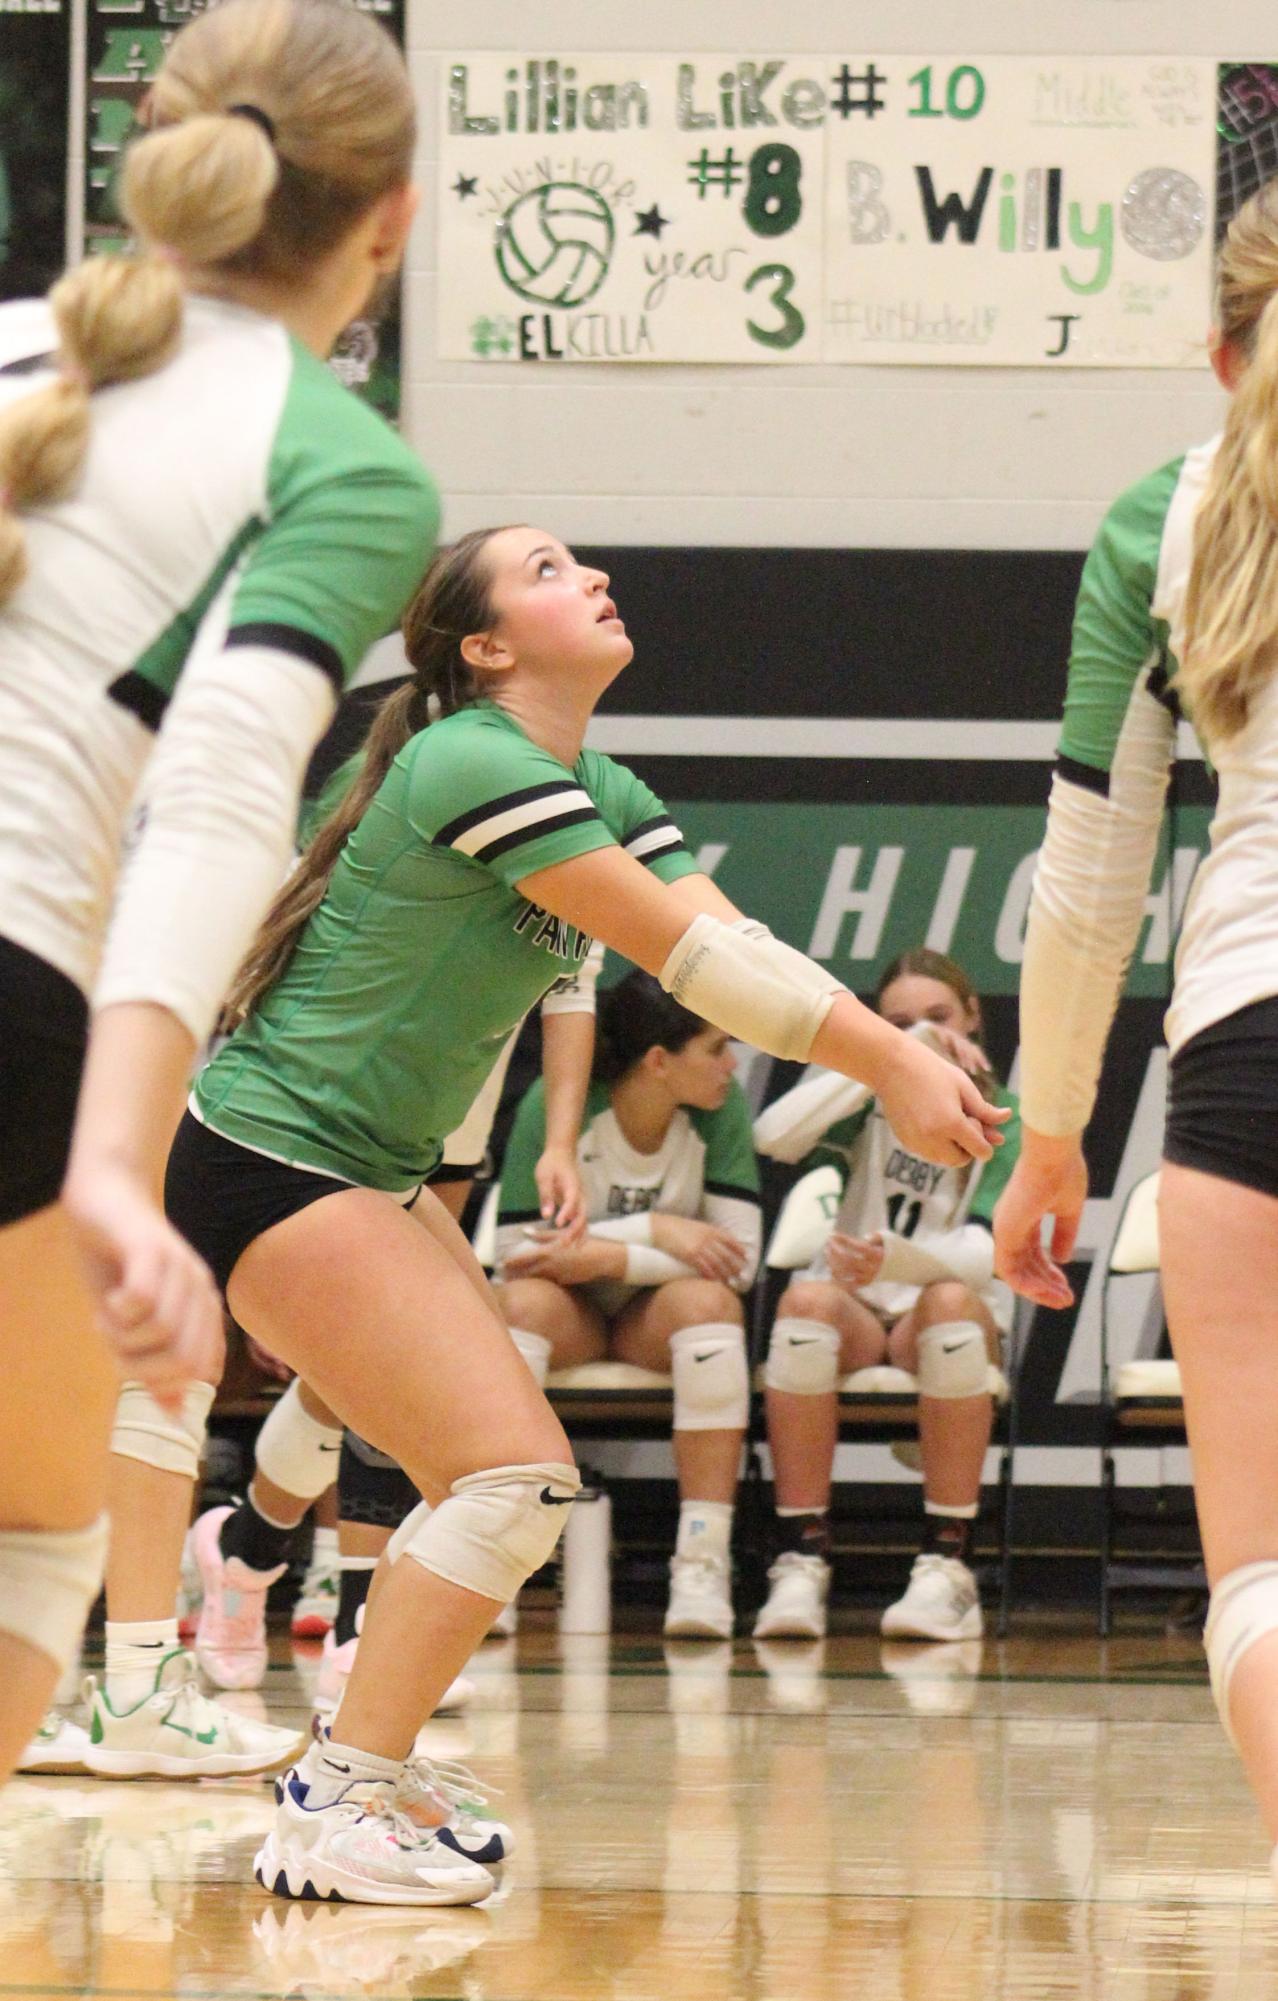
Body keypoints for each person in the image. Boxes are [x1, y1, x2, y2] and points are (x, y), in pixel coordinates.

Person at [161, 522, 1008, 1904]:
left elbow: (732, 947)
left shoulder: (593, 778)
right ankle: (334, 1793)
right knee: (511, 1477)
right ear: (483, 646)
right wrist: (897, 1057)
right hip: (271, 1152)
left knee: (494, 1480)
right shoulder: (468, 756)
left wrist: (888, 1054)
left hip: (356, 1163)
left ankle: (340, 1734)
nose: (592, 577)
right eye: (548, 570)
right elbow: (687, 961)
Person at [0, 0, 434, 1785]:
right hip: (20, 981)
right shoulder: (336, 461)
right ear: (389, 221)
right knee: (33, 1539)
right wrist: (114, 1152)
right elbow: (218, 801)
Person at [992, 179, 1278, 1886]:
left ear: (1214, 347)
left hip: (1247, 1041)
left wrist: (1049, 1134)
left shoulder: (1152, 526)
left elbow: (1086, 883)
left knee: (1254, 1575)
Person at [752, 951, 1020, 1642]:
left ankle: (947, 1565)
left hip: (939, 1302)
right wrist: (885, 1058)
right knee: (806, 1306)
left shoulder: (1006, 1110)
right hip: (860, 1308)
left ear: (974, 1019)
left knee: (952, 1307)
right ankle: (801, 1558)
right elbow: (772, 1135)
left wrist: (894, 1260)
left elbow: (986, 1254)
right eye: (898, 1022)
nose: (922, 1031)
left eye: (939, 1018)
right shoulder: (867, 1095)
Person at [496, 968, 762, 1639]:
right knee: (518, 1306)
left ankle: (701, 1561)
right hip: (572, 1311)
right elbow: (516, 1252)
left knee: (710, 1307)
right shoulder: (562, 1107)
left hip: (656, 1315)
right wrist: (655, 1229)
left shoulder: (720, 1110)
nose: (732, 1064)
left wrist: (613, 1253)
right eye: (716, 1047)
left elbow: (741, 1257)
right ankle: (491, 1561)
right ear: (659, 1062)